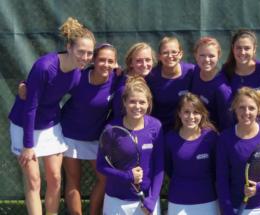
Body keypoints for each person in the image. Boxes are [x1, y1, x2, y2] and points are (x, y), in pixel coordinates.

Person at [8, 17, 95, 215]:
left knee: (55, 178)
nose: (85, 57)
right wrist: (28, 145)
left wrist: (114, 73)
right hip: (25, 125)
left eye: (89, 53)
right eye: (81, 51)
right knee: (34, 180)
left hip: (50, 125)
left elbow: (90, 89)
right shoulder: (45, 66)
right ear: (69, 47)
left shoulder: (78, 73)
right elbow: (30, 107)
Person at [60, 43, 118, 215]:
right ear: (93, 60)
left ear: (115, 63)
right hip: (69, 134)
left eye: (110, 61)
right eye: (101, 60)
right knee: (73, 180)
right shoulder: (78, 77)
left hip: (95, 137)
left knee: (105, 178)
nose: (105, 64)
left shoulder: (117, 79)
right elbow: (53, 85)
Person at [97, 76, 164, 215]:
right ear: (124, 102)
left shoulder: (156, 126)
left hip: (146, 203)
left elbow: (159, 167)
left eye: (142, 102)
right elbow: (101, 166)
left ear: (148, 103)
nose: (137, 106)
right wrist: (127, 176)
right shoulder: (111, 130)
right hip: (116, 202)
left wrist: (152, 199)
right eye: (132, 102)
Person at [216, 87, 260, 215]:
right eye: (242, 107)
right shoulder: (225, 139)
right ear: (235, 108)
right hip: (238, 206)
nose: (246, 112)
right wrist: (227, 210)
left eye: (251, 108)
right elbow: (222, 179)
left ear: (259, 110)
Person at [165, 92, 219, 215]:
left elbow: (217, 169)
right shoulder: (169, 139)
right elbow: (169, 168)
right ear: (179, 113)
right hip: (178, 200)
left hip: (208, 199)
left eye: (196, 112)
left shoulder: (211, 137)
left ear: (202, 114)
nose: (191, 116)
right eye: (186, 112)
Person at [146, 36, 195, 132]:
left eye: (174, 52)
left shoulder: (192, 72)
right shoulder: (151, 76)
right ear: (159, 56)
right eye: (165, 53)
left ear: (180, 54)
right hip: (160, 130)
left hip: (185, 128)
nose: (170, 56)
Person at [190, 36, 232, 131]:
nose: (206, 60)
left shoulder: (222, 89)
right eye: (202, 55)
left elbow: (227, 124)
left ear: (219, 55)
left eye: (211, 56)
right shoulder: (194, 71)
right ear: (195, 55)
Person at [112, 42, 156, 119]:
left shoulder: (148, 78)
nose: (144, 64)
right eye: (139, 61)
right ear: (131, 63)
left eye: (148, 60)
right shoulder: (124, 88)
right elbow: (119, 118)